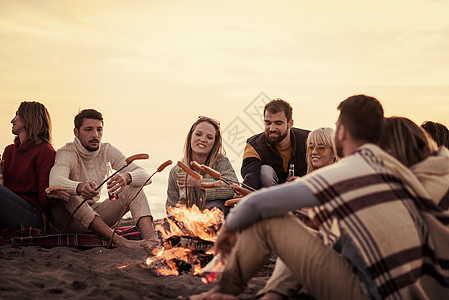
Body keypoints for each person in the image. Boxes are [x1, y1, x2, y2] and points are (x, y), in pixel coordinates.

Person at [192, 94, 448, 300]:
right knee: (318, 236)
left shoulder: (360, 166)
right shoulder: (414, 176)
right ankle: (274, 293)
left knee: (268, 221)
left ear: (342, 133)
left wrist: (229, 227)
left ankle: (223, 292)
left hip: (375, 291)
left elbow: (258, 202)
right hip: (421, 286)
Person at [49, 109, 157, 250]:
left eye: (99, 129)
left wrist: (127, 177)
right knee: (70, 195)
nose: (95, 135)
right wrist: (80, 187)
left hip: (95, 218)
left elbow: (146, 176)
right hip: (67, 221)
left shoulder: (106, 150)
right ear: (76, 132)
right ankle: (122, 242)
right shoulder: (67, 152)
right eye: (88, 129)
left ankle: (152, 241)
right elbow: (55, 180)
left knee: (133, 186)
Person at [259, 127, 338, 300]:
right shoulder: (309, 178)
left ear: (334, 152)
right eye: (310, 148)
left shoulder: (336, 179)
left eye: (321, 148)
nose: (314, 152)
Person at [0, 101, 66, 231]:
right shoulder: (8, 151)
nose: (12, 120)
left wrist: (49, 195)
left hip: (33, 215)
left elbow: (43, 197)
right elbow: (5, 191)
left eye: (17, 115)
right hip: (9, 212)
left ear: (28, 118)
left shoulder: (45, 151)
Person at [166, 116, 238, 214]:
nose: (203, 139)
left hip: (216, 220)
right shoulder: (176, 171)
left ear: (214, 143)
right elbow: (171, 207)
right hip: (190, 222)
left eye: (209, 137)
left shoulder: (221, 162)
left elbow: (234, 189)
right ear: (191, 137)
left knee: (215, 204)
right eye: (198, 134)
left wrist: (200, 183)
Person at [241, 98, 309, 190]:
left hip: (303, 192)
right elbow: (250, 176)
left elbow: (324, 167)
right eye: (268, 123)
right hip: (269, 195)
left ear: (290, 123)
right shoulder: (253, 145)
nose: (272, 128)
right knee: (265, 171)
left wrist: (303, 181)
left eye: (278, 123)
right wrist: (243, 193)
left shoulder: (308, 140)